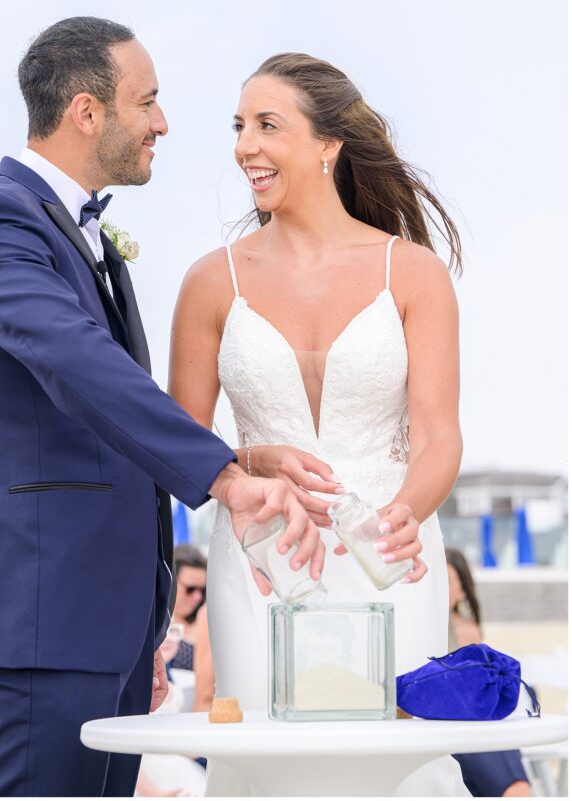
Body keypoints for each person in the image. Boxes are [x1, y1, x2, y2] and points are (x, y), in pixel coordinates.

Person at [0, 18, 325, 799]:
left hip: (103, 621)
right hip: (47, 609)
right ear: (86, 111)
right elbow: (78, 363)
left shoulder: (81, 235)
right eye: (149, 102)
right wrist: (224, 480)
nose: (163, 122)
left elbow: (107, 411)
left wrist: (235, 457)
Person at [169, 52, 466, 796]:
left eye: (268, 125)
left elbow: (439, 434)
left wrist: (405, 515)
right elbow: (176, 444)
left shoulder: (414, 273)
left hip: (390, 560)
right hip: (264, 562)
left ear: (328, 144)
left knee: (396, 763)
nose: (245, 146)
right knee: (269, 765)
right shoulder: (211, 281)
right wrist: (248, 461)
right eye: (239, 126)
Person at [447, 548, 531, 798]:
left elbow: (471, 687)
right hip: (460, 723)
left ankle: (515, 790)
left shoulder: (465, 631)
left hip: (474, 717)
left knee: (485, 737)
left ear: (461, 590)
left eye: (448, 582)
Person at [169, 546, 207, 673]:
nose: (197, 597)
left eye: (202, 590)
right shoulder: (153, 623)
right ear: (172, 582)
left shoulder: (206, 623)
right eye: (190, 589)